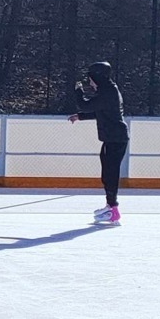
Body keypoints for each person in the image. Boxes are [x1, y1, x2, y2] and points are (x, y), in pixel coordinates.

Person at [67, 61, 128, 225]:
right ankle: (110, 206)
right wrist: (79, 116)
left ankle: (113, 209)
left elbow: (85, 105)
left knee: (110, 174)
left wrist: (78, 90)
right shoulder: (108, 90)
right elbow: (98, 111)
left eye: (91, 80)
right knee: (107, 173)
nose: (90, 83)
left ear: (98, 77)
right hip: (113, 138)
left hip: (115, 139)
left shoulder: (107, 92)